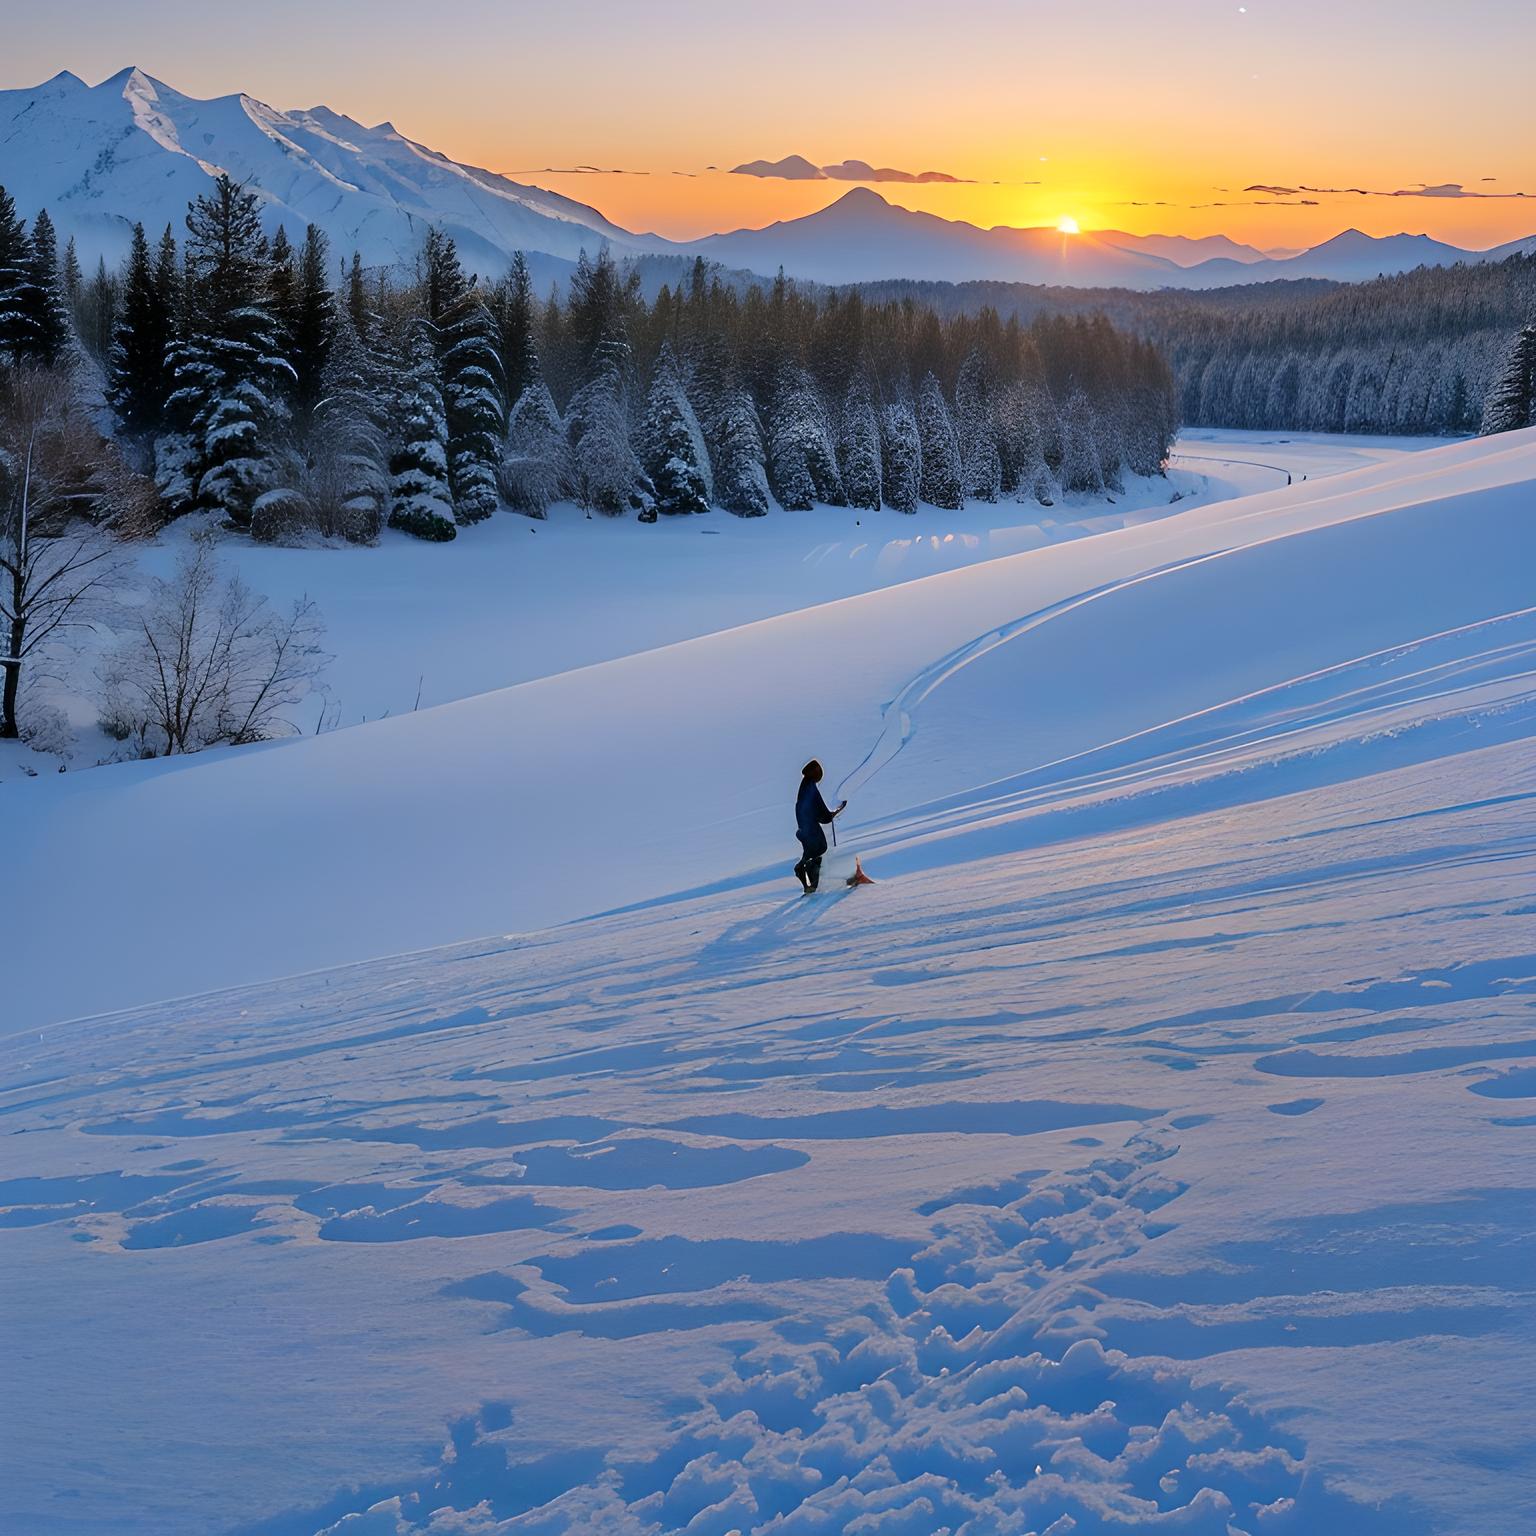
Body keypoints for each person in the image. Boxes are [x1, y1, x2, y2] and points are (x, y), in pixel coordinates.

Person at [793, 760, 845, 893]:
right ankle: (810, 882)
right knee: (820, 849)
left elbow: (811, 807)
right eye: (818, 771)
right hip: (810, 827)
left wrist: (829, 815)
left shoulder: (805, 786)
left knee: (811, 852)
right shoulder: (810, 787)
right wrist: (831, 814)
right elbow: (819, 807)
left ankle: (807, 880)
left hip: (805, 827)